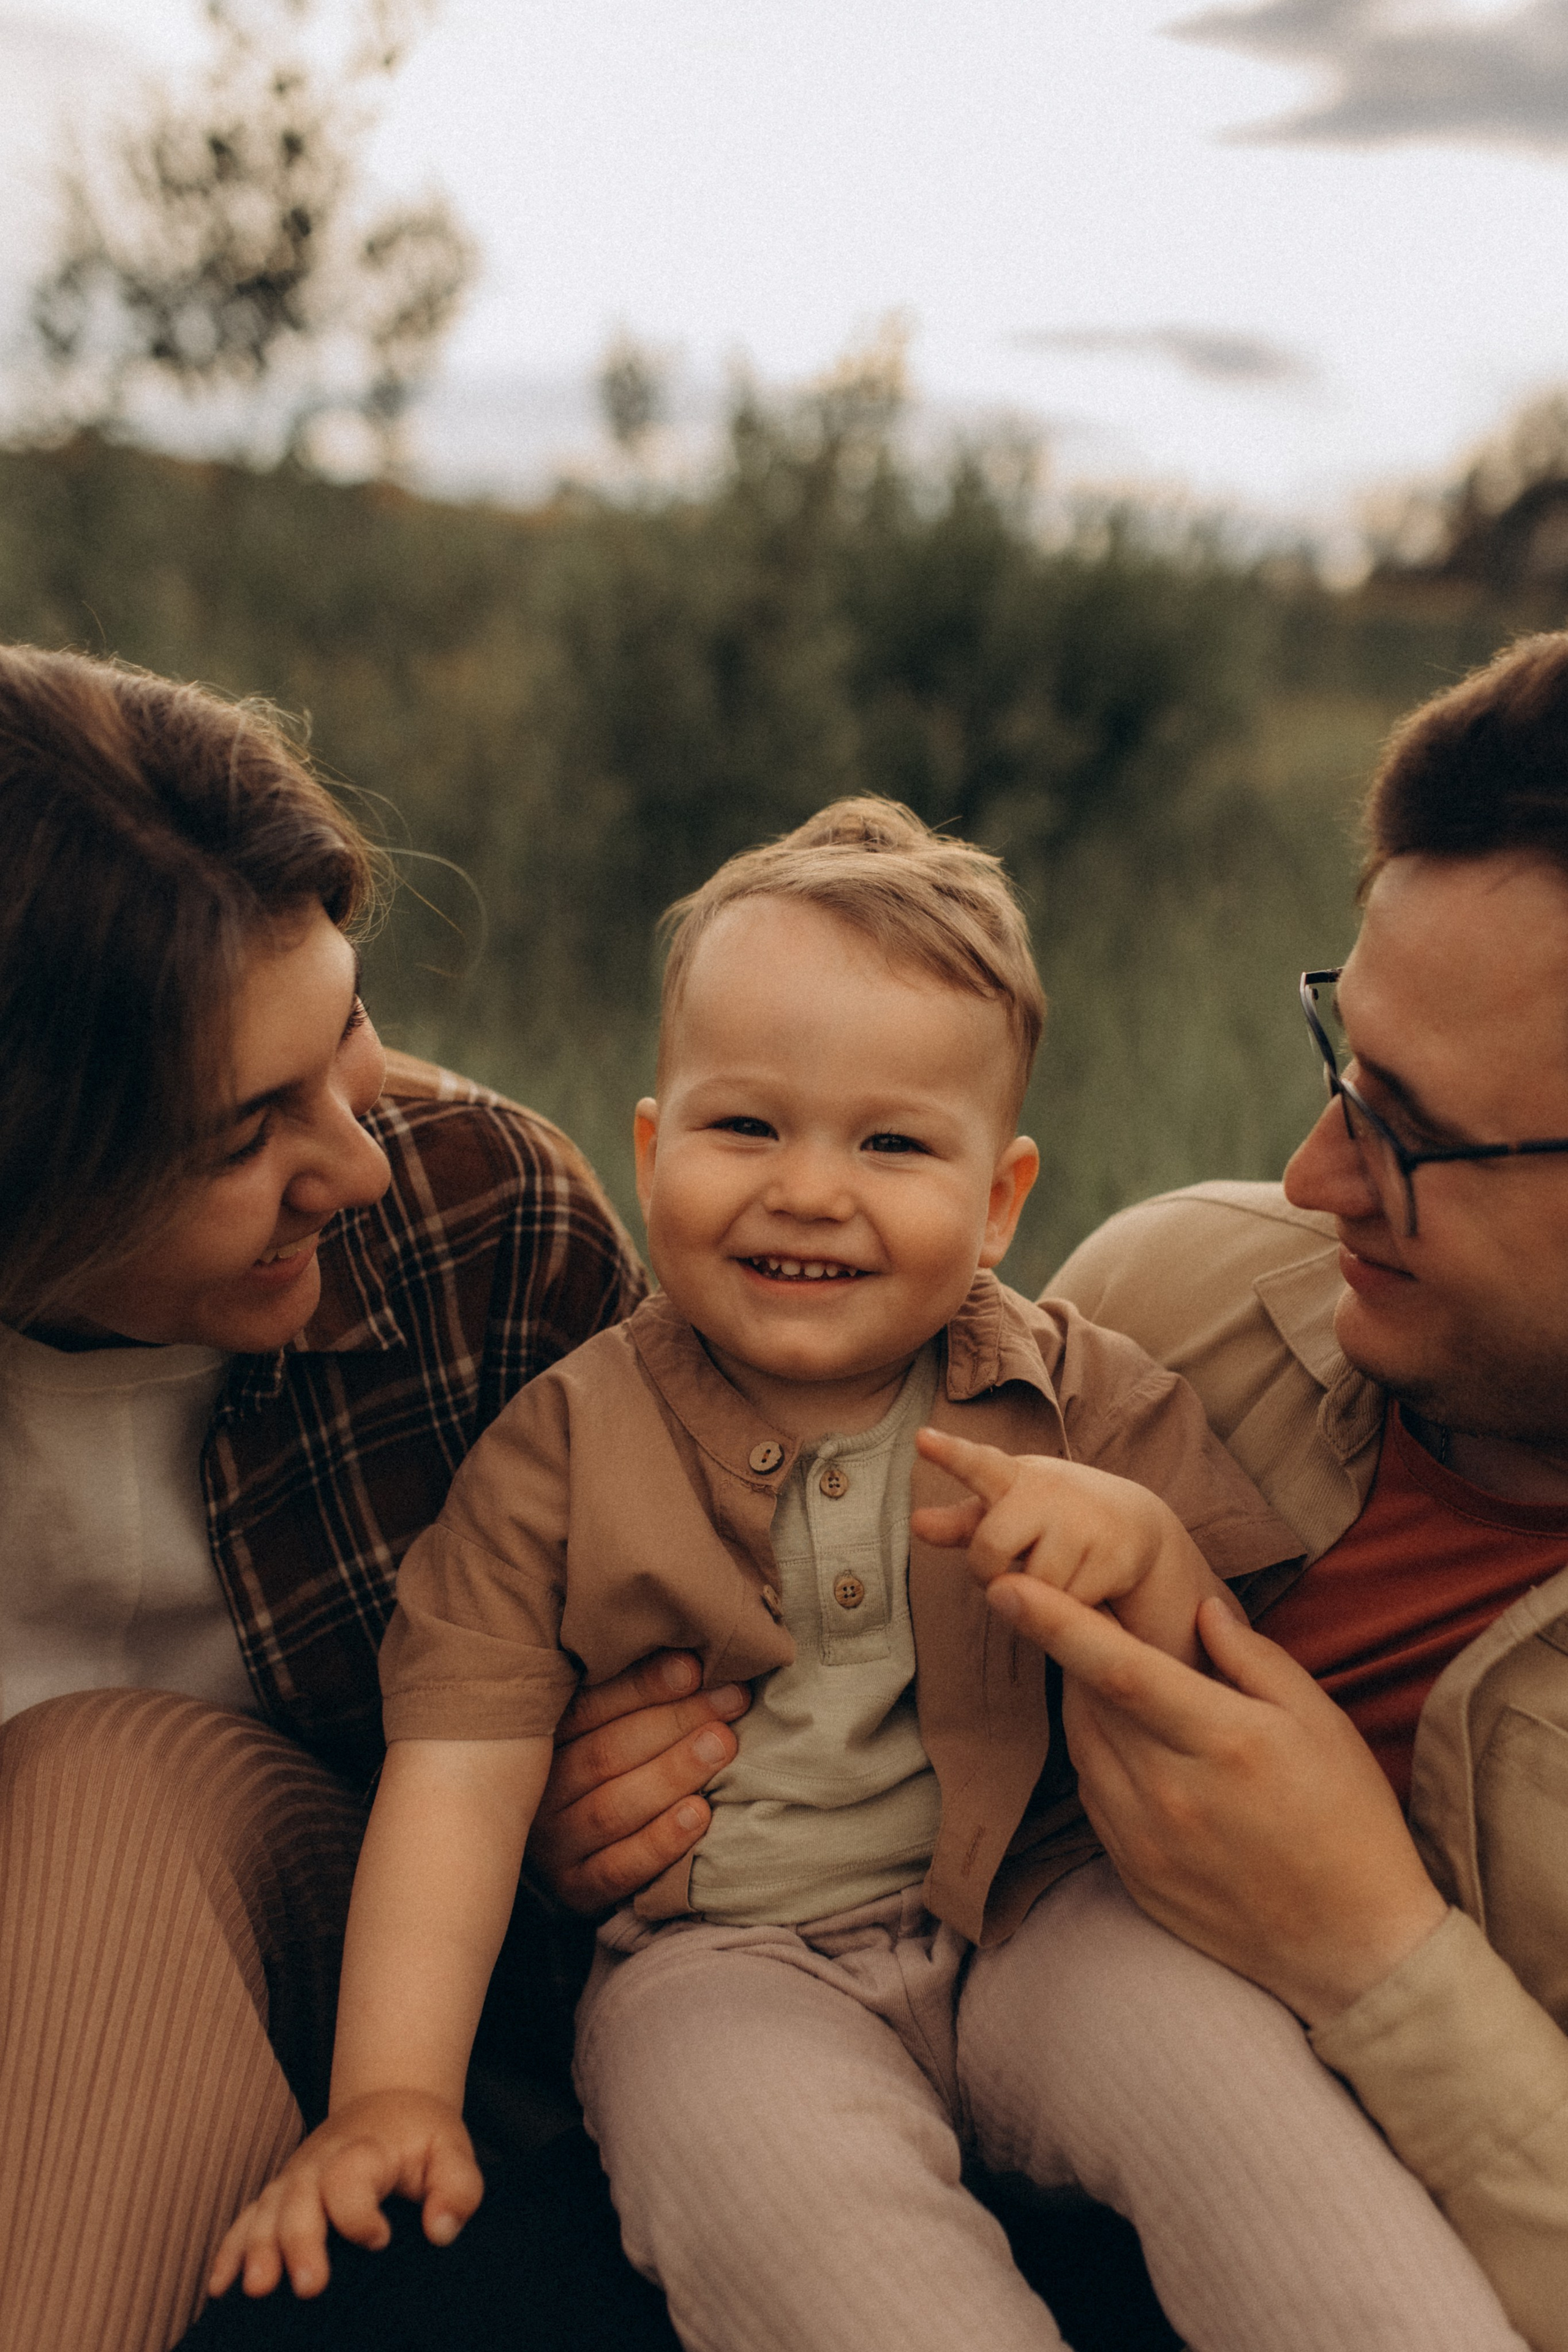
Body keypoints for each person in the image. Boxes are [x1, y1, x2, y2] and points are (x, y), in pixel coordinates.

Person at [214, 800, 1526, 2352]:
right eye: (744, 1127)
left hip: (1052, 1911)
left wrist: (1153, 1560)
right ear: (651, 1150)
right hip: (723, 1963)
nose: (809, 1190)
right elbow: (459, 1776)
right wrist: (389, 2094)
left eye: (890, 1144)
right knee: (790, 2218)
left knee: (1259, 2130)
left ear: (997, 1203)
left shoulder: (1076, 1393)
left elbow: (1225, 1687)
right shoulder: (560, 1446)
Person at [0, 641, 695, 2352]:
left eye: (353, 1025)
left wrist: (592, 1806)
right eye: (243, 1136)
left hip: (328, 1972)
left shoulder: (479, 1224)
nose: (359, 1157)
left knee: (103, 1789)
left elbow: (683, 1718)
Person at [995, 629, 1568, 2352]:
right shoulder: (1165, 1304)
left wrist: (1367, 1947)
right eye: (1342, 1062)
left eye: (1407, 1130)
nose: (1314, 1176)